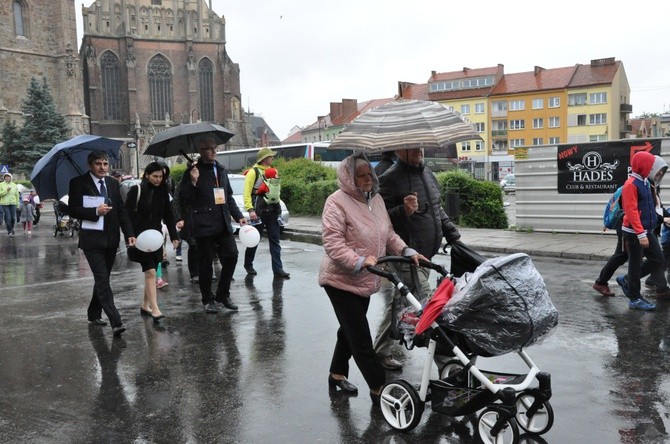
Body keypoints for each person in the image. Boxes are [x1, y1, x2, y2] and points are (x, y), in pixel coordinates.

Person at [319, 153, 425, 406]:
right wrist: (359, 259)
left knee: (349, 331)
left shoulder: (375, 199)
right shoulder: (336, 203)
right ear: (349, 178)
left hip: (365, 279)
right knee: (360, 338)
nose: (368, 178)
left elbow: (388, 234)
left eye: (370, 173)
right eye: (361, 175)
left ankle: (336, 373)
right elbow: (332, 243)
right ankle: (380, 388)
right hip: (340, 280)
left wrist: (406, 251)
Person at [373, 147, 462, 370]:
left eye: (420, 146)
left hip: (426, 254)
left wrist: (453, 236)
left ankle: (380, 350)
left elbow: (436, 209)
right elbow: (379, 221)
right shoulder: (389, 179)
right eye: (413, 147)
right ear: (400, 150)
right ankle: (448, 363)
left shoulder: (427, 174)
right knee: (428, 304)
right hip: (407, 256)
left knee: (400, 302)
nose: (418, 151)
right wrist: (403, 210)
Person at [67, 151, 136, 336]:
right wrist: (94, 211)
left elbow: (121, 210)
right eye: (98, 164)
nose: (103, 167)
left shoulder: (113, 183)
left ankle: (93, 313)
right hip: (92, 240)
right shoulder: (78, 183)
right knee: (102, 279)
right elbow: (72, 210)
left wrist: (129, 233)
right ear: (90, 165)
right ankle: (116, 321)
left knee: (103, 278)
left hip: (111, 239)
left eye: (105, 164)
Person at [178, 133, 247, 313]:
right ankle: (207, 299)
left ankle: (222, 295)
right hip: (203, 224)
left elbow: (228, 196)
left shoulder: (221, 169)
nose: (213, 151)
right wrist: (192, 181)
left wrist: (238, 215)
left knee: (232, 256)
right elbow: (185, 199)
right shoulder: (192, 172)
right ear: (200, 151)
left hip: (222, 222)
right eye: (208, 148)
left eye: (214, 147)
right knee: (205, 264)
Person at [125, 162, 179, 322]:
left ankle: (145, 305)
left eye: (161, 177)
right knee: (150, 273)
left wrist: (174, 235)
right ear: (147, 175)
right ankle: (155, 309)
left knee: (152, 270)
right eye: (155, 176)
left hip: (156, 237)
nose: (158, 179)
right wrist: (129, 235)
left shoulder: (163, 192)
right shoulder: (137, 190)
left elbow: (168, 215)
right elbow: (126, 215)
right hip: (140, 237)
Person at [615, 151, 666, 311]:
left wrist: (661, 219)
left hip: (647, 230)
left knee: (659, 260)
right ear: (643, 166)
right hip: (633, 232)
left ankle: (627, 280)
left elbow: (650, 208)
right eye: (650, 165)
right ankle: (635, 298)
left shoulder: (645, 182)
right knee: (635, 264)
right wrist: (640, 233)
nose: (652, 167)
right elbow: (631, 211)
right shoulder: (630, 184)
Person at [242, 147, 290, 279]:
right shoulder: (253, 172)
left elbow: (275, 191)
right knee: (254, 240)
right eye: (270, 156)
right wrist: (250, 210)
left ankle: (278, 269)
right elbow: (246, 192)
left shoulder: (274, 171)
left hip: (272, 211)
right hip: (258, 211)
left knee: (275, 240)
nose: (272, 158)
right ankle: (248, 264)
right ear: (264, 159)